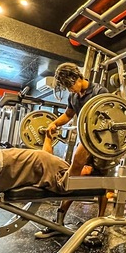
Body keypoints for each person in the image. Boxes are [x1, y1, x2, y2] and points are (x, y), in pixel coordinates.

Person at [33, 62, 110, 241]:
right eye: (67, 87)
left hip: (102, 142)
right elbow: (68, 115)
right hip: (86, 140)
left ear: (78, 77)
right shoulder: (74, 96)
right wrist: (54, 123)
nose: (70, 89)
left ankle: (101, 223)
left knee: (102, 181)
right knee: (74, 176)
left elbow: (107, 119)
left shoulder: (100, 92)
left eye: (70, 85)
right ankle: (59, 220)